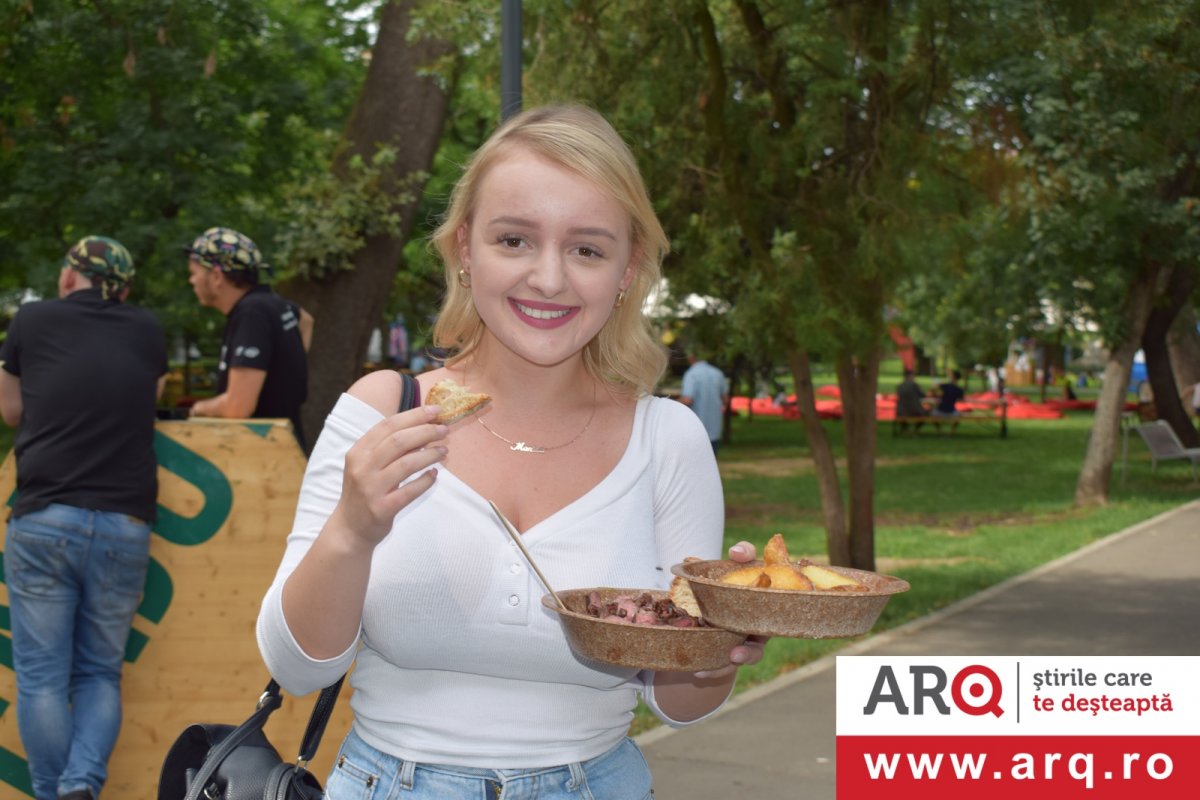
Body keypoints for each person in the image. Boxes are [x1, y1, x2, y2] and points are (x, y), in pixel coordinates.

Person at [256, 105, 765, 799]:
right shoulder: (384, 410)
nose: (549, 279)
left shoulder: (667, 440)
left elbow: (676, 703)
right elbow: (297, 668)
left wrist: (716, 651)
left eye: (587, 249)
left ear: (628, 269)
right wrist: (351, 530)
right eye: (515, 240)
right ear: (465, 248)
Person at [0, 236, 167, 800]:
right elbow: (152, 394)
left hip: (45, 517)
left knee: (43, 678)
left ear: (71, 276)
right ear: (119, 286)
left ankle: (54, 793)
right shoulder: (146, 329)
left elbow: (9, 408)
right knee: (99, 673)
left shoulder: (31, 319)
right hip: (125, 522)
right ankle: (81, 785)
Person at [184, 227, 312, 450]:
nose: (191, 280)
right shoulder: (273, 303)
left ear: (216, 276)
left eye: (194, 273)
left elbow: (237, 407)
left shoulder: (252, 313)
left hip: (264, 462)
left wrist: (198, 409)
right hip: (287, 449)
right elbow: (306, 321)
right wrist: (288, 366)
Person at [678, 352, 729, 454]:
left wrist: (670, 403)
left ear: (691, 358)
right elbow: (725, 399)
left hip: (696, 429)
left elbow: (688, 400)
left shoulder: (691, 374)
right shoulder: (718, 373)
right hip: (715, 428)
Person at [894, 368, 928, 433]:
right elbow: (922, 395)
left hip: (901, 410)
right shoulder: (914, 385)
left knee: (904, 416)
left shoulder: (900, 386)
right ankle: (916, 430)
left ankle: (904, 429)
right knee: (926, 414)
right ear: (911, 376)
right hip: (914, 410)